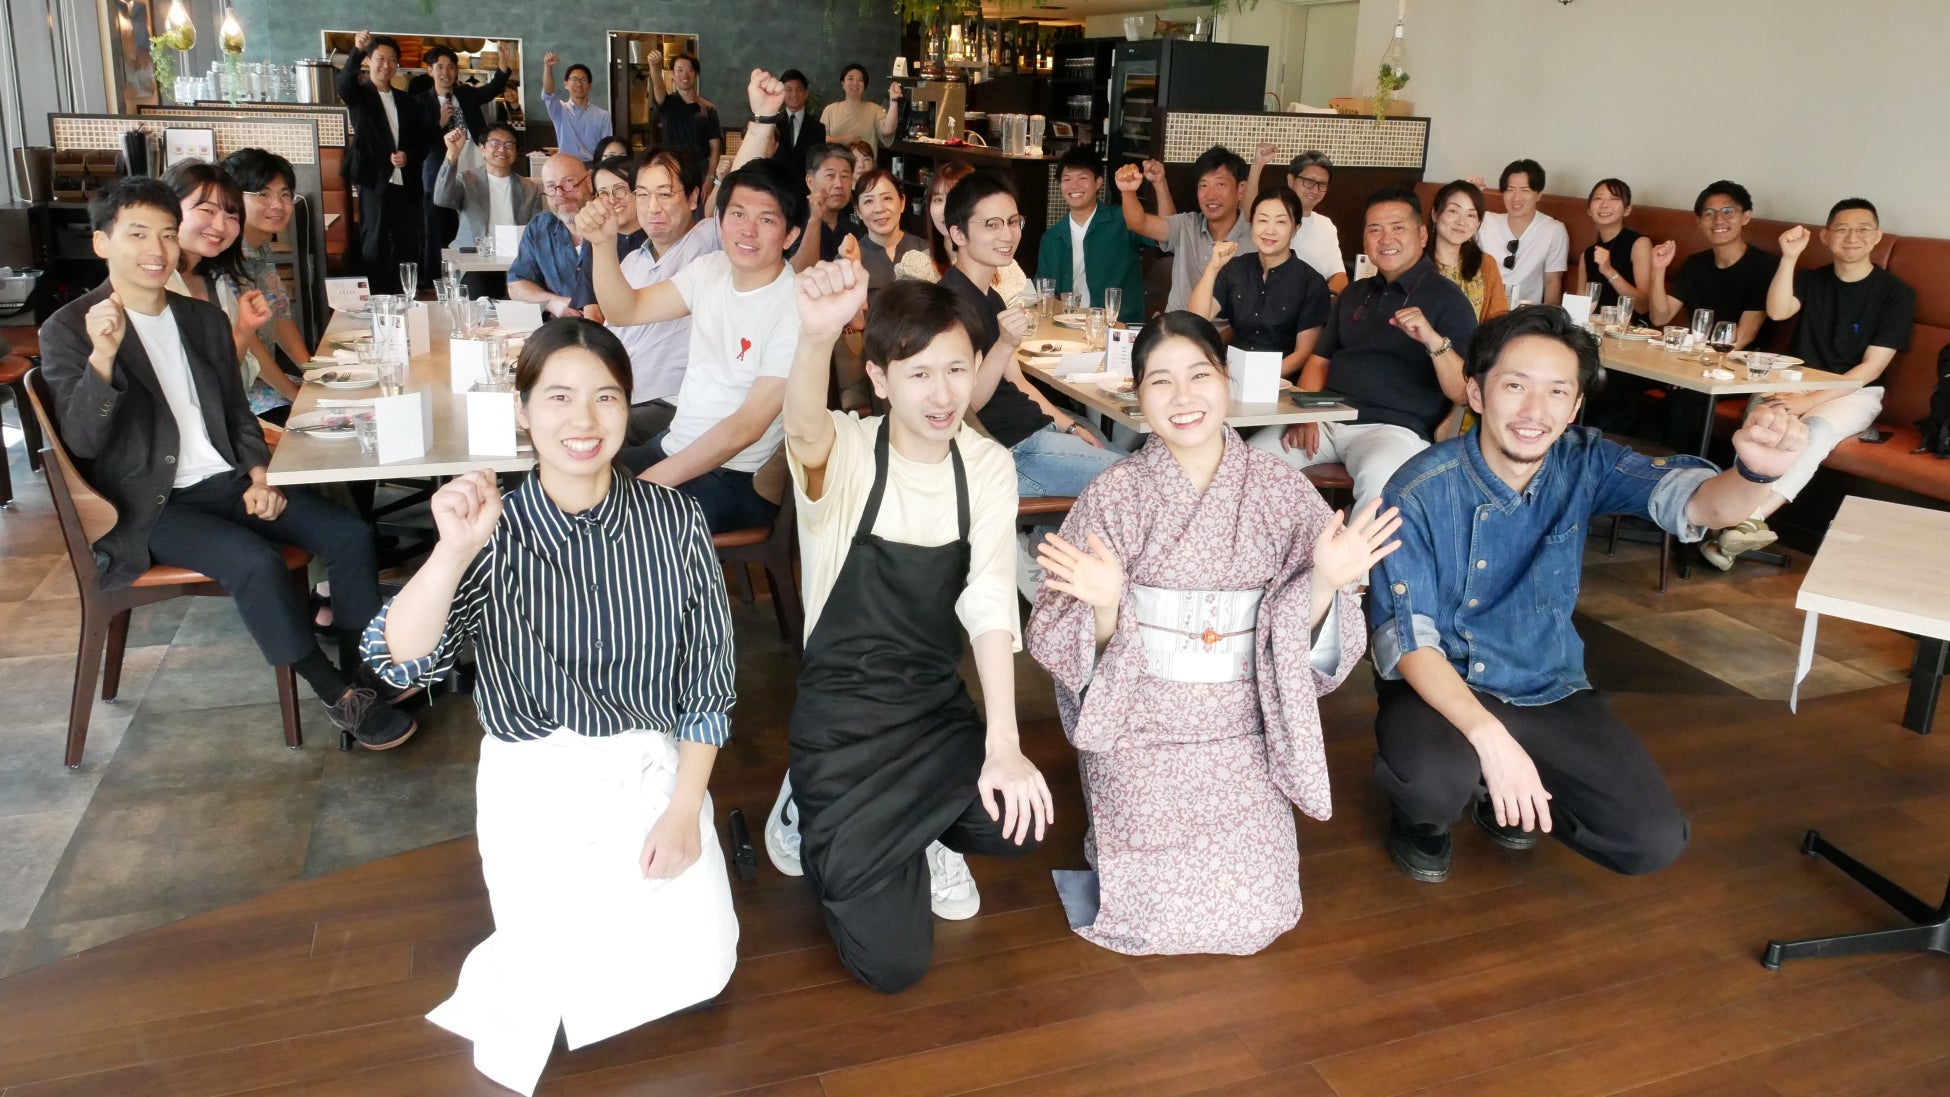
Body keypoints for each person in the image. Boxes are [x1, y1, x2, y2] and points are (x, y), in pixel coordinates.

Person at [363, 320, 738, 1096]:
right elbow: (396, 655)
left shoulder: (675, 522)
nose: (585, 420)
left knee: (700, 969)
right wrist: (450, 550)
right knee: (552, 987)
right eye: (559, 397)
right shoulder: (493, 527)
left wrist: (682, 809)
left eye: (606, 397)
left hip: (647, 766)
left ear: (628, 409)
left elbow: (709, 684)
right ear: (523, 412)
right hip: (535, 777)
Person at [1368, 306, 1811, 884]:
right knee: (1431, 782)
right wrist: (1491, 739)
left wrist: (1754, 474)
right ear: (1476, 393)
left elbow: (1701, 504)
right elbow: (1408, 640)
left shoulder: (1585, 460)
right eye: (1514, 386)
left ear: (1575, 406)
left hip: (1544, 684)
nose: (1534, 411)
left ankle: (1508, 791)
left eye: (1557, 392)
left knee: (1650, 840)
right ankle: (1426, 816)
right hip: (1442, 686)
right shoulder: (1420, 488)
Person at [1028, 311, 1393, 955]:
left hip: (1244, 726)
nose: (1183, 396)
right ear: (1136, 397)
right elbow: (1064, 635)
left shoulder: (1281, 491)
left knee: (1256, 915)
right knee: (1152, 915)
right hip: (1139, 726)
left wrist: (1323, 585)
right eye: (1160, 382)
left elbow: (1308, 651)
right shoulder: (1114, 495)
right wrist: (1109, 607)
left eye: (1199, 374)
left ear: (1225, 381)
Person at [40, 176, 414, 749]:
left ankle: (366, 669)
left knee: (348, 532)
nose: (156, 250)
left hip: (228, 481)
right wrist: (104, 357)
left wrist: (258, 473)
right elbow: (85, 443)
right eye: (137, 234)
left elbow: (237, 413)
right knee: (256, 562)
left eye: (167, 234)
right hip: (152, 506)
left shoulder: (200, 319)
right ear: (101, 243)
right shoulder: (69, 329)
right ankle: (335, 692)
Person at [775, 260, 1052, 990]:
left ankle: (919, 831)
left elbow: (992, 602)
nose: (942, 393)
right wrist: (813, 339)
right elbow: (801, 424)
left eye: (956, 369)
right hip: (842, 719)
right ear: (880, 379)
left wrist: (1005, 744)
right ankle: (806, 804)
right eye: (919, 373)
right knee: (892, 964)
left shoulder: (986, 465)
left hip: (929, 706)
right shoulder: (845, 452)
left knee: (1017, 820)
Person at [582, 72, 805, 533]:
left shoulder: (795, 304)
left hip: (736, 477)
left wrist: (649, 483)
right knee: (569, 483)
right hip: (676, 445)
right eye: (738, 215)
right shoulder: (711, 271)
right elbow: (626, 311)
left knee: (619, 524)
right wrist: (603, 245)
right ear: (721, 221)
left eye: (766, 220)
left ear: (792, 235)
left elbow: (746, 427)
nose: (747, 230)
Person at [1698, 199, 1917, 570]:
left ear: (1877, 237)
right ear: (1826, 236)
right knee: (1762, 424)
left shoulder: (1896, 294)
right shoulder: (1811, 278)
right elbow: (1780, 310)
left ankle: (1747, 522)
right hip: (1795, 379)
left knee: (1812, 430)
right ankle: (1729, 516)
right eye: (1843, 229)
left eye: (1863, 229)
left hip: (1856, 391)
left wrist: (1811, 400)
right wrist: (1788, 258)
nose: (1853, 237)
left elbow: (1868, 369)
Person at [1249, 185, 1476, 515]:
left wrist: (1432, 340)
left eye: (1398, 227)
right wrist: (1307, 414)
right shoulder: (1354, 293)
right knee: (1249, 464)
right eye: (1375, 229)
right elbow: (1318, 362)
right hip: (1327, 418)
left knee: (1380, 483)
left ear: (1422, 234)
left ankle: (1353, 568)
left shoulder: (1449, 300)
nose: (1386, 239)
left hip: (1392, 430)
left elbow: (1462, 393)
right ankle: (1258, 563)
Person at [936, 171, 1124, 498]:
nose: (1007, 234)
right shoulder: (948, 305)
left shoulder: (989, 296)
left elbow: (1019, 383)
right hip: (1011, 451)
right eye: (991, 225)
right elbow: (963, 403)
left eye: (1012, 222)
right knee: (1137, 480)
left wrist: (1069, 425)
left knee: (1126, 460)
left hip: (1036, 432)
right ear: (959, 234)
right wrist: (1006, 343)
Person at [160, 162, 293, 419]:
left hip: (224, 425)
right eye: (207, 210)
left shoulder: (217, 283)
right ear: (167, 209)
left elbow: (229, 382)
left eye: (232, 216)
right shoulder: (154, 289)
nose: (220, 226)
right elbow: (188, 392)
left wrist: (244, 329)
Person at [610, 148, 721, 444]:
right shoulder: (631, 261)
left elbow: (741, 197)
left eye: (665, 194)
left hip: (673, 405)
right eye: (643, 195)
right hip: (619, 397)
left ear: (694, 197)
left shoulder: (711, 240)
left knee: (606, 434)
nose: (652, 207)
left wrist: (763, 119)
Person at [1187, 190, 1331, 379]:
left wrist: (1259, 378)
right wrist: (1213, 268)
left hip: (1280, 383)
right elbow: (1197, 318)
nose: (1269, 230)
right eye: (1262, 220)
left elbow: (1302, 353)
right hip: (1232, 374)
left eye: (1280, 222)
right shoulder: (1235, 268)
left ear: (1295, 228)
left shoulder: (1311, 282)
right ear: (1252, 224)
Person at [336, 30, 430, 296]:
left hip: (404, 180)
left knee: (406, 240)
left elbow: (420, 139)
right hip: (374, 178)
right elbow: (344, 83)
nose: (385, 65)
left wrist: (408, 155)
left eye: (391, 60)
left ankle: (403, 294)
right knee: (374, 240)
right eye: (380, 58)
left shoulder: (406, 101)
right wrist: (355, 51)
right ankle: (374, 297)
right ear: (369, 60)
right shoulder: (360, 94)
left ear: (397, 65)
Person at [221, 149, 315, 405]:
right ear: (232, 198)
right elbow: (248, 342)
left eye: (285, 194)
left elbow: (280, 316)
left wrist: (314, 374)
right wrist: (294, 395)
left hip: (259, 382)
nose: (278, 205)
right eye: (263, 194)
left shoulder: (259, 249)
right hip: (236, 396)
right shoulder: (225, 257)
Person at [415, 42, 513, 284]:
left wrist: (502, 62)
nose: (445, 72)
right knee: (438, 228)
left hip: (474, 172)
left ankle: (470, 276)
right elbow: (416, 142)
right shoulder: (419, 102)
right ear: (430, 70)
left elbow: (494, 87)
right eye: (439, 67)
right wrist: (438, 123)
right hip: (441, 175)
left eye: (450, 67)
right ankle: (437, 281)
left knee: (469, 228)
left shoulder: (466, 94)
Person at [1118, 146, 1252, 312]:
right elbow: (1138, 223)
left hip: (1220, 335)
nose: (1211, 195)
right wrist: (1128, 192)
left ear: (1240, 189)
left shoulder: (1253, 241)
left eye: (1220, 184)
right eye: (1203, 186)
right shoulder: (1187, 224)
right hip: (1175, 329)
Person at [1647, 180, 1773, 350]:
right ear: (1698, 221)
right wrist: (1658, 269)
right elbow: (1659, 318)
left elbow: (1743, 338)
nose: (1718, 220)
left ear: (1746, 216)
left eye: (1728, 211)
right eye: (1709, 213)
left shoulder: (1765, 266)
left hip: (1740, 365)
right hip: (1695, 357)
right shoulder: (1694, 264)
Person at [432, 122, 545, 296]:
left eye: (509, 145)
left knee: (527, 302)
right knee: (478, 298)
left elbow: (537, 231)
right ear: (482, 148)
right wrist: (452, 154)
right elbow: (441, 198)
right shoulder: (467, 180)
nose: (502, 149)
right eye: (495, 143)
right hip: (476, 262)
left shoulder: (529, 188)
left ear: (516, 151)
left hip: (515, 264)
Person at [894, 160, 1027, 307]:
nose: (946, 210)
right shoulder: (918, 268)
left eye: (954, 198)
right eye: (938, 199)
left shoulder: (1006, 268)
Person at [1040, 147, 1145, 324]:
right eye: (1067, 179)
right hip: (1068, 326)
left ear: (1098, 182)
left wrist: (1159, 184)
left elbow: (1165, 235)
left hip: (1119, 327)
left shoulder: (1123, 220)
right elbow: (1044, 292)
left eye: (1082, 178)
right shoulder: (1051, 237)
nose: (1074, 186)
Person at [507, 153, 593, 319]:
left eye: (569, 182)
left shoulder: (614, 226)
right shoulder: (540, 228)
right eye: (551, 187)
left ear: (589, 182)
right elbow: (516, 285)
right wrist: (552, 302)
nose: (560, 194)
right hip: (560, 330)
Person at [1475, 159, 1568, 306]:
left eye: (1525, 190)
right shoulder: (1484, 221)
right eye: (1510, 190)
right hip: (1483, 308)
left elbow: (1552, 282)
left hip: (1525, 315)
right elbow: (1450, 236)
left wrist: (1550, 321)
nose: (1516, 197)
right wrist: (1470, 193)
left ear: (1538, 195)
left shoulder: (1553, 230)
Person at [569, 154, 650, 318]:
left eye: (620, 189)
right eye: (603, 192)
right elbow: (592, 311)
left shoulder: (658, 238)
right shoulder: (597, 241)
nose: (612, 200)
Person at [1428, 179, 1509, 325]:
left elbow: (1499, 323)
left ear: (1478, 223)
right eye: (1453, 211)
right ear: (1435, 214)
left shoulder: (1486, 264)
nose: (1462, 222)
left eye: (1471, 215)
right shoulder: (1414, 262)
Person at [1582, 178, 1653, 320]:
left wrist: (1609, 271)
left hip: (1631, 331)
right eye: (1598, 198)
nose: (1604, 205)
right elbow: (1580, 307)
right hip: (1594, 331)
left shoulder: (1640, 244)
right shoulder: (1587, 254)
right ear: (1589, 209)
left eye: (1614, 199)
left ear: (1627, 210)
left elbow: (1644, 305)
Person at [1285, 149, 1349, 292]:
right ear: (1291, 180)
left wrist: (1321, 300)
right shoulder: (1273, 219)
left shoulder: (1326, 224)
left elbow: (1339, 275)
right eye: (1309, 181)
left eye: (1322, 184)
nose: (1315, 190)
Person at [790, 141, 857, 271]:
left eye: (845, 176)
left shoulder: (854, 229)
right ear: (810, 182)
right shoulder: (793, 223)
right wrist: (815, 220)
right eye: (830, 176)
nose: (838, 184)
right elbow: (798, 273)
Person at [648, 53, 723, 169]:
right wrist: (655, 67)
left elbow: (715, 147)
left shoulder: (709, 109)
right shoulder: (666, 103)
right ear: (672, 74)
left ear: (697, 74)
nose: (685, 75)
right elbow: (658, 87)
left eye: (690, 70)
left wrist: (710, 178)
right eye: (680, 70)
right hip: (671, 169)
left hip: (700, 171)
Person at [540, 53, 612, 162]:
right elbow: (548, 93)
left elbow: (607, 149)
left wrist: (598, 171)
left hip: (592, 168)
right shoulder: (559, 111)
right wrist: (548, 67)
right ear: (566, 84)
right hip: (567, 166)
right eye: (574, 79)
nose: (579, 84)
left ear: (589, 86)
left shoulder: (603, 116)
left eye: (583, 80)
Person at [819, 62, 899, 155]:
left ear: (865, 85)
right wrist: (842, 140)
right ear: (843, 84)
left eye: (860, 80)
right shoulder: (830, 110)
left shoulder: (875, 109)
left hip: (865, 167)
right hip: (837, 167)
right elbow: (819, 139)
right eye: (850, 79)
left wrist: (894, 100)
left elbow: (888, 130)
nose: (855, 83)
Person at [766, 69, 825, 174]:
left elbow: (819, 162)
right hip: (776, 184)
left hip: (805, 186)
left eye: (798, 90)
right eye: (789, 90)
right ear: (782, 93)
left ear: (806, 94)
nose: (794, 94)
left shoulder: (818, 128)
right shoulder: (773, 124)